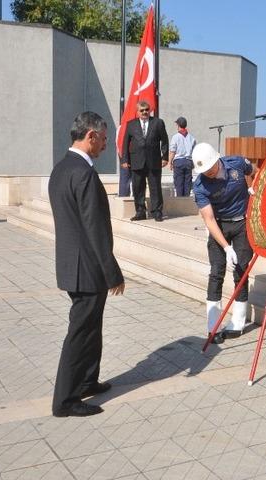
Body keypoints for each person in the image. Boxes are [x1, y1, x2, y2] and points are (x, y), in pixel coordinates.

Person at [48, 111, 125, 418]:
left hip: (72, 265)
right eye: (104, 139)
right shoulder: (84, 173)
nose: (105, 145)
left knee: (91, 328)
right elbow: (96, 229)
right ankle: (65, 400)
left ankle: (88, 380)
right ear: (90, 136)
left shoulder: (62, 169)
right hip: (87, 269)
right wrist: (113, 273)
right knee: (80, 333)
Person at [192, 143, 255, 344]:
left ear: (216, 161)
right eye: (203, 171)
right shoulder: (200, 185)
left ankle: (238, 321)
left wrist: (254, 187)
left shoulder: (236, 163)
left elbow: (255, 170)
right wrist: (226, 247)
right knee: (216, 272)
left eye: (209, 169)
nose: (207, 174)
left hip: (242, 223)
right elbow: (208, 219)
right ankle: (213, 325)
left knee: (241, 271)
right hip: (219, 226)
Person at [120, 100, 169, 222]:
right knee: (137, 188)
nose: (145, 112)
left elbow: (165, 140)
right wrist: (125, 159)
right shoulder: (131, 124)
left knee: (155, 188)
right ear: (137, 112)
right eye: (142, 110)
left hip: (154, 160)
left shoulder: (158, 123)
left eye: (147, 110)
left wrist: (165, 157)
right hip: (136, 161)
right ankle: (140, 212)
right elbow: (125, 143)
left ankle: (157, 212)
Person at [168, 117, 196, 197]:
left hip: (178, 162)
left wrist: (170, 162)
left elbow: (172, 151)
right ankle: (186, 202)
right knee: (187, 183)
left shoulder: (175, 137)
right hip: (188, 161)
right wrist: (193, 163)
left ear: (178, 125)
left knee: (179, 183)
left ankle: (180, 202)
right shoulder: (191, 138)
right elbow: (194, 152)